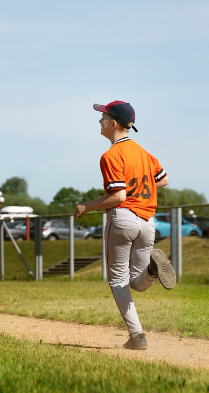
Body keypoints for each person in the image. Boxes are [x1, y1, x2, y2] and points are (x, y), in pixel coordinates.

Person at [75, 100, 176, 350]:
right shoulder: (143, 153)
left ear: (114, 123)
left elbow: (118, 196)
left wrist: (86, 206)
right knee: (137, 282)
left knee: (118, 280)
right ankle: (153, 270)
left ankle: (137, 336)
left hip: (123, 218)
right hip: (147, 221)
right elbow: (163, 180)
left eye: (103, 117)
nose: (100, 121)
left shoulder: (110, 155)